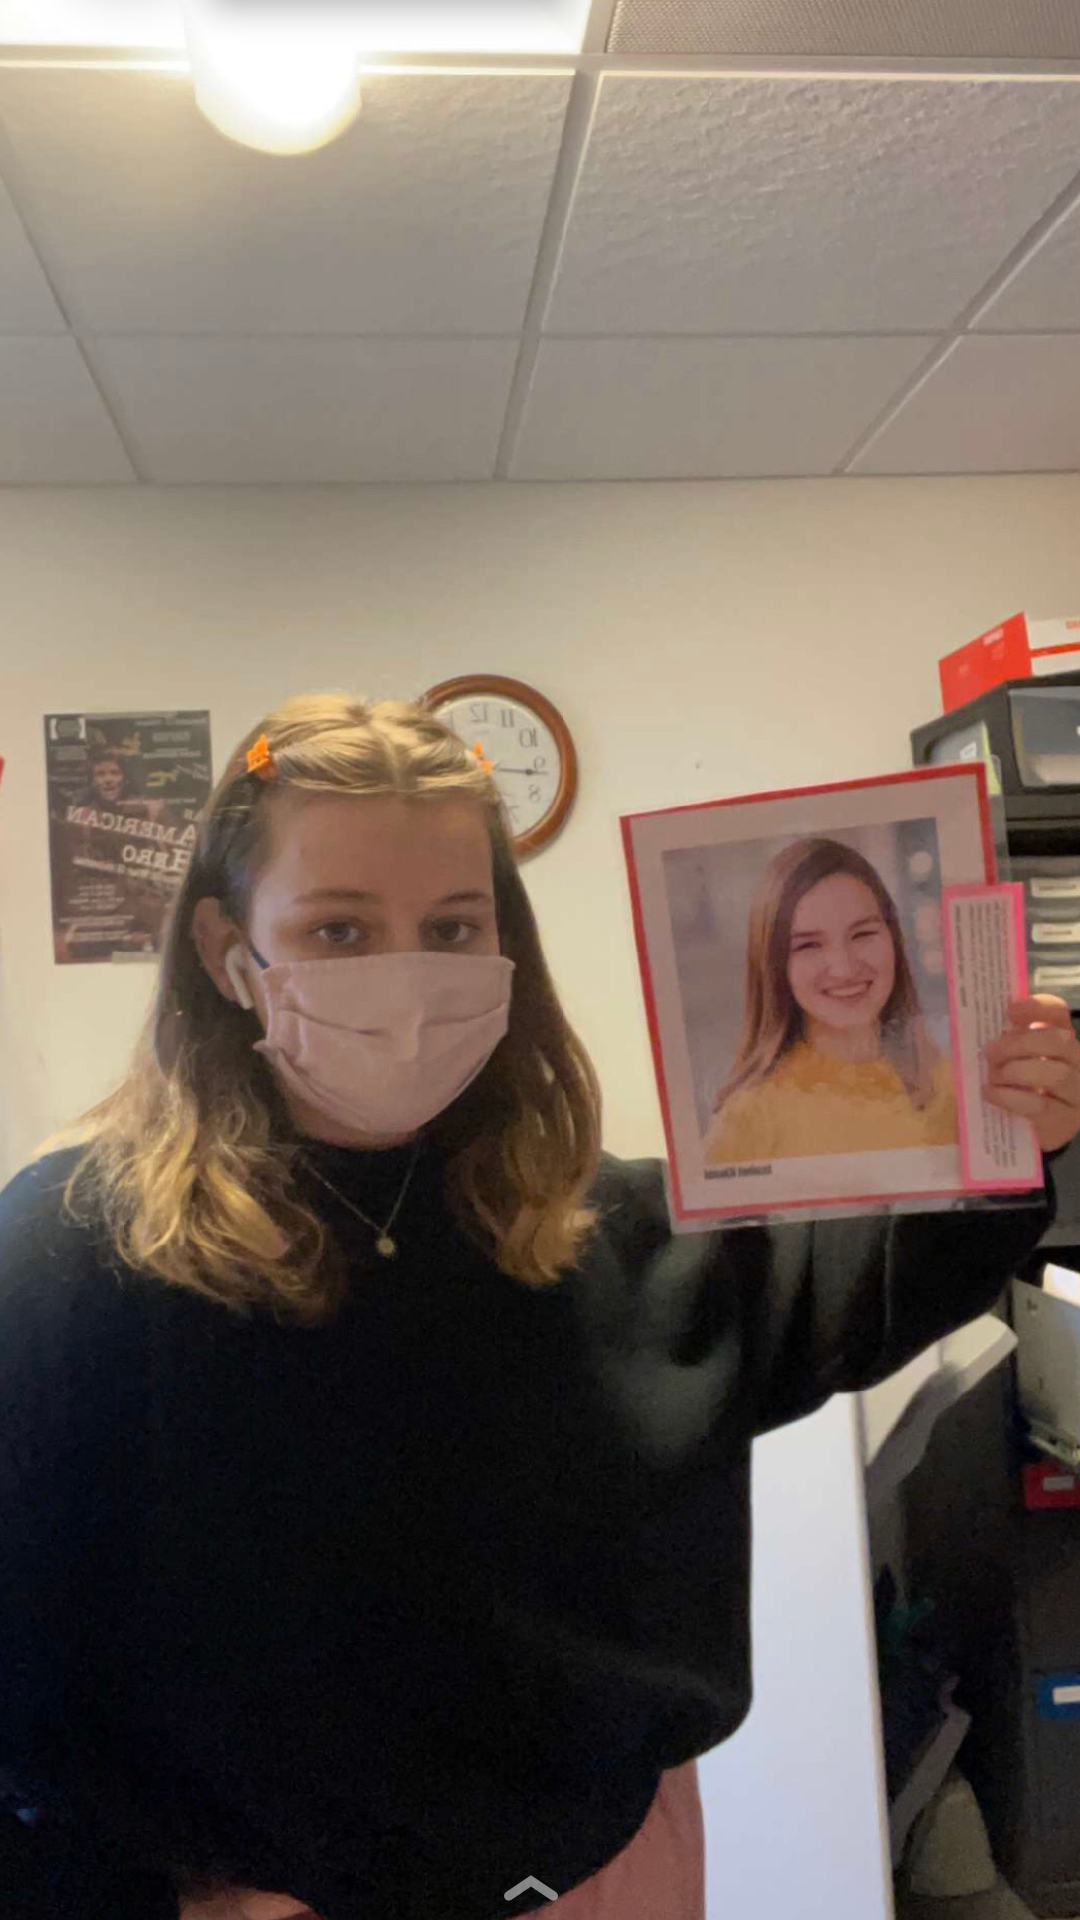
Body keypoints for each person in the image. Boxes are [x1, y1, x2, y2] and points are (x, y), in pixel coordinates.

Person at [2, 694, 1078, 1920]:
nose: (406, 975)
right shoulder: (76, 1252)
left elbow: (855, 1297)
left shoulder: (599, 1228)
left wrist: (1006, 1135)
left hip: (605, 1877)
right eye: (339, 928)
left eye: (453, 925)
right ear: (223, 950)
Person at [704, 835, 957, 1166]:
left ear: (893, 938)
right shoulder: (748, 1118)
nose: (844, 968)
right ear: (774, 965)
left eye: (862, 934)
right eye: (808, 945)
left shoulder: (953, 1082)